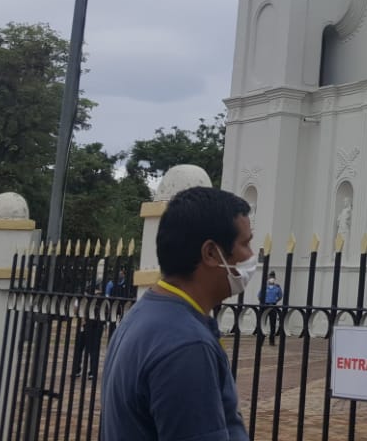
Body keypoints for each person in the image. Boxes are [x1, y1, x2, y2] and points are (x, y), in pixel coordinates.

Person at [100, 186, 254, 441]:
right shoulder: (186, 345)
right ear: (211, 253)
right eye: (245, 244)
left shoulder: (146, 314)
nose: (251, 256)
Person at [72, 282, 104, 379]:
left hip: (85, 325)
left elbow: (76, 309)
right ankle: (92, 372)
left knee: (79, 348)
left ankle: (77, 370)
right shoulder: (102, 299)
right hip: (96, 325)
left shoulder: (83, 297)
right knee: (93, 350)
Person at [258, 271, 284, 344]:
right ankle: (261, 339)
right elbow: (259, 296)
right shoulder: (264, 286)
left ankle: (272, 340)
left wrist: (275, 300)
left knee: (273, 323)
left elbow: (280, 296)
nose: (271, 279)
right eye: (270, 277)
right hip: (265, 305)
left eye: (273, 277)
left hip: (273, 306)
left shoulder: (277, 287)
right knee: (263, 322)